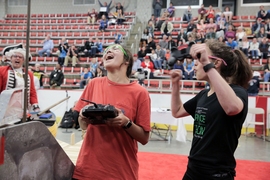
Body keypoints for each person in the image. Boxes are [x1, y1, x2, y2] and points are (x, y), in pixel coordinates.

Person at [170, 39, 253, 180]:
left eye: (199, 59)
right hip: (193, 170)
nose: (195, 63)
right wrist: (175, 84)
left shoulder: (237, 92)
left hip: (217, 174)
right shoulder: (204, 94)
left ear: (216, 63)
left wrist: (207, 64)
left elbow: (232, 108)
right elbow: (177, 111)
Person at [72, 44, 151, 179]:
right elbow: (82, 124)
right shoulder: (94, 84)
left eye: (115, 49)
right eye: (106, 50)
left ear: (127, 61)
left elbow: (144, 138)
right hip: (87, 170)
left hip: (120, 172)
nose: (108, 50)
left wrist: (125, 122)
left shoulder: (140, 93)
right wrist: (83, 118)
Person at [1, 44, 40, 112]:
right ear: (11, 58)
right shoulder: (2, 70)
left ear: (23, 60)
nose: (17, 58)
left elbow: (32, 91)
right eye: (15, 56)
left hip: (22, 108)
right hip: (5, 108)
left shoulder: (29, 74)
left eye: (20, 57)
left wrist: (35, 104)